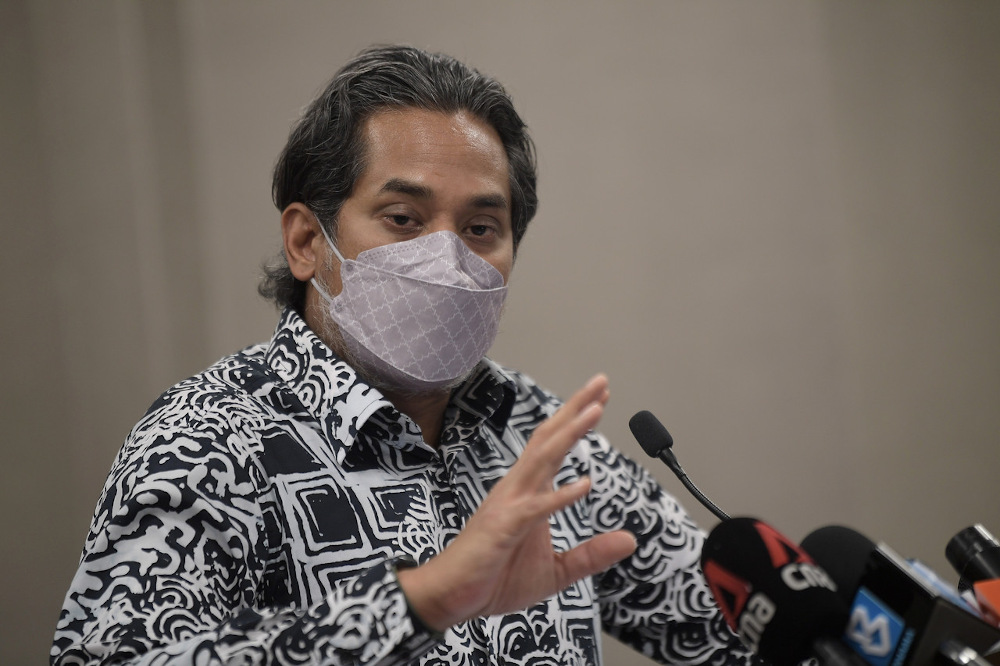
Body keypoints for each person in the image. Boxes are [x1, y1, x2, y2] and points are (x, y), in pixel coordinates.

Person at [52, 45, 752, 666]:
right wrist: (419, 603)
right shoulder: (208, 438)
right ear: (306, 242)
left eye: (481, 227)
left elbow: (739, 629)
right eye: (403, 220)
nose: (445, 259)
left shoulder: (539, 437)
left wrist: (830, 617)